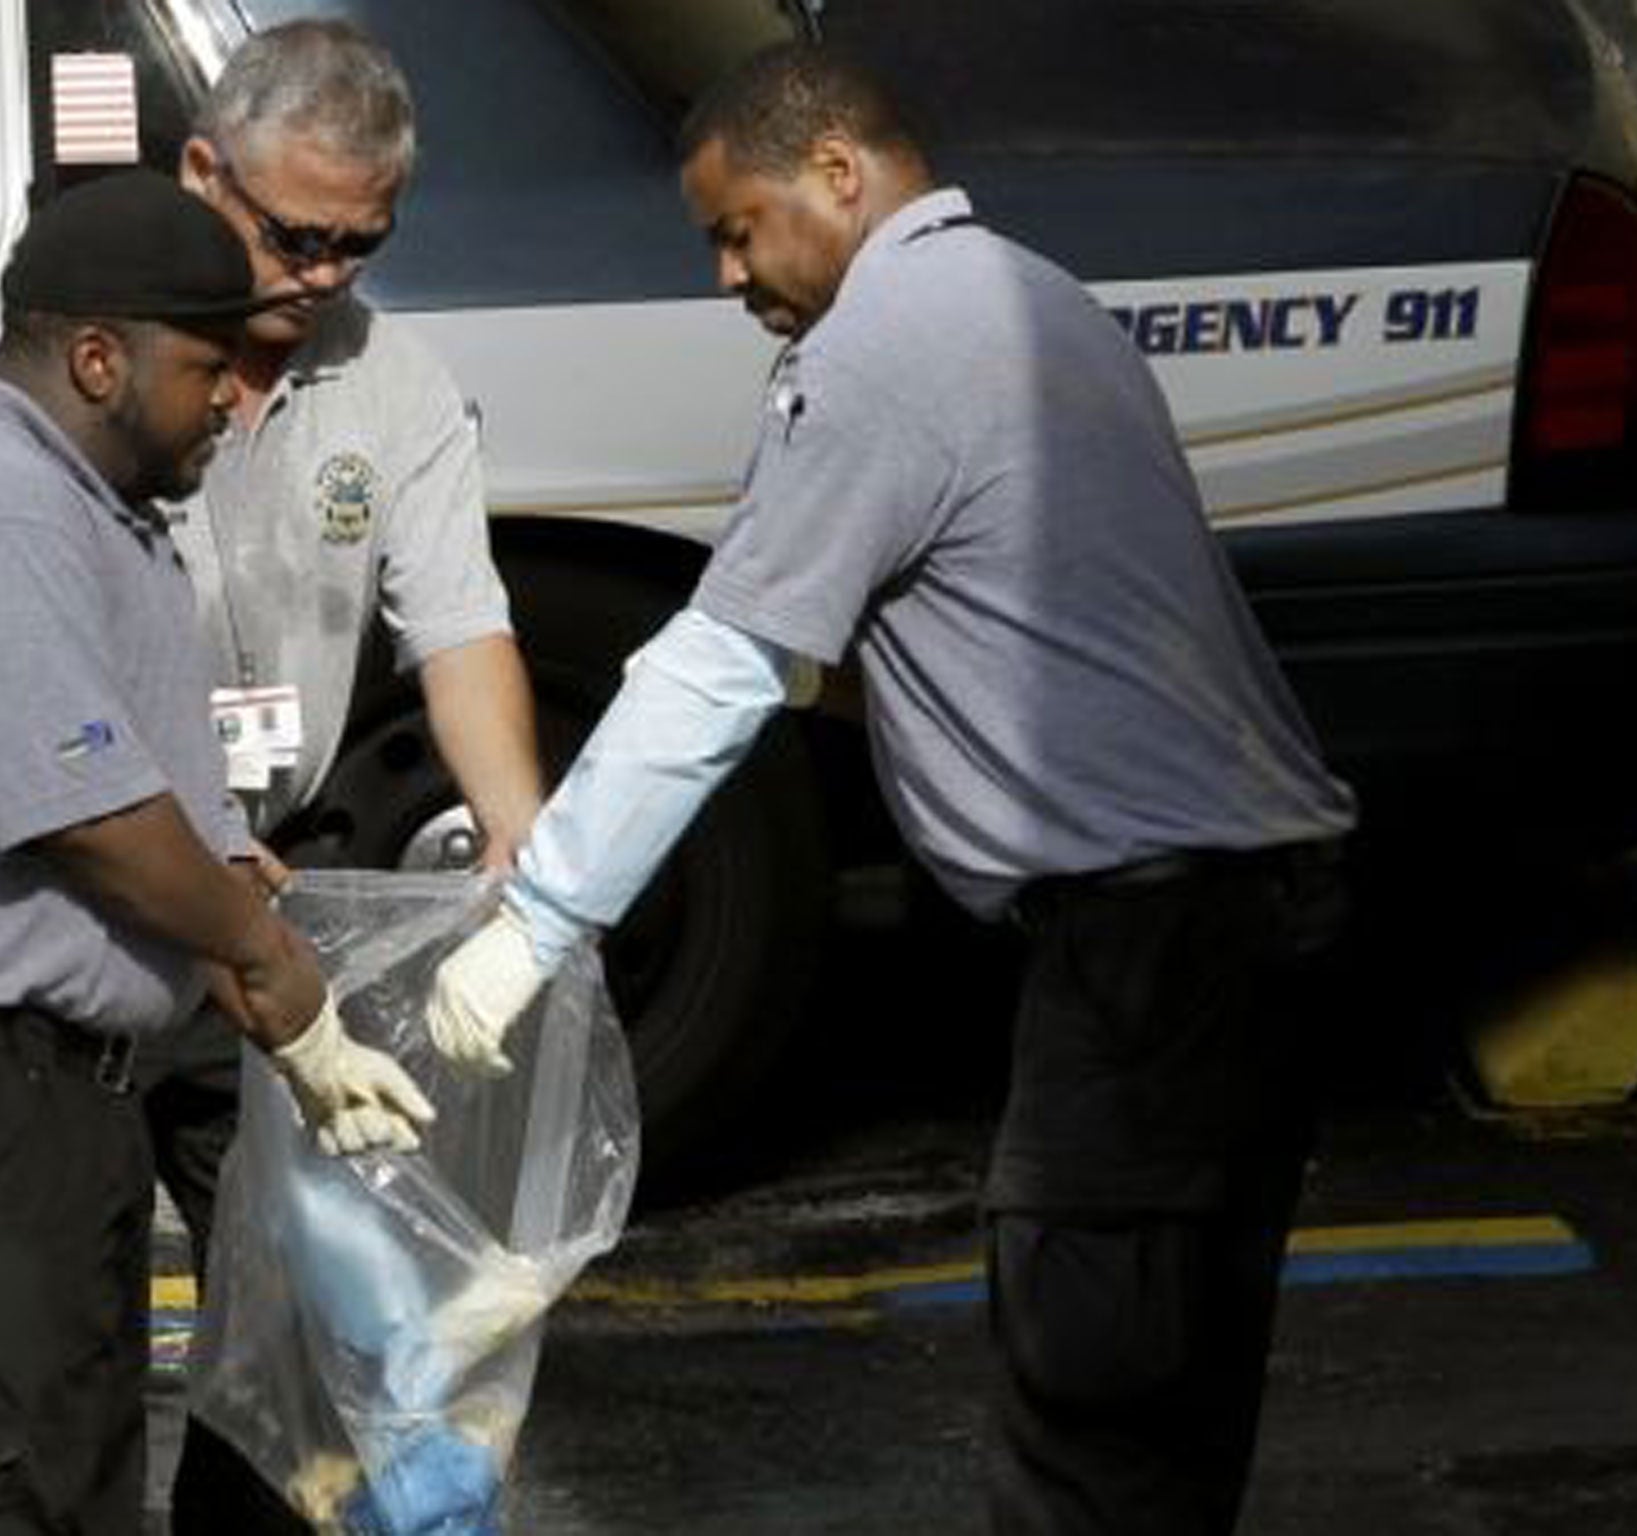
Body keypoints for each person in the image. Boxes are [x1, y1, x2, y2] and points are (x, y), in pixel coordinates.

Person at [425, 43, 1359, 1536]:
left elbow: (715, 670)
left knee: (1089, 1408)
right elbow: (1001, 625)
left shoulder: (877, 349)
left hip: (1149, 943)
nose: (728, 276)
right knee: (1174, 1409)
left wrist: (535, 924)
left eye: (739, 230)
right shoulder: (1036, 299)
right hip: (1260, 917)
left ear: (839, 174)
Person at [0, 170, 435, 1534]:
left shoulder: (88, 513)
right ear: (99, 360)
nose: (230, 400)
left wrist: (227, 878)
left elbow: (134, 784)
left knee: (72, 1485)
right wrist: (262, 956)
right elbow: (88, 813)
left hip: (55, 1112)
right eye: (207, 368)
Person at [150, 20, 544, 1530]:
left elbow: (461, 625)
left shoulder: (394, 382)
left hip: (278, 893)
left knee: (297, 1317)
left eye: (358, 244)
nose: (320, 275)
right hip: (104, 877)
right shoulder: (104, 357)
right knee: (59, 1322)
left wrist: (520, 841)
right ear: (204, 171)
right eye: (291, 235)